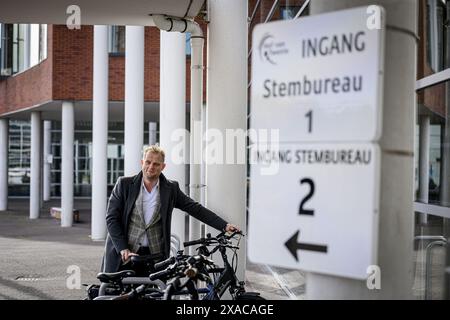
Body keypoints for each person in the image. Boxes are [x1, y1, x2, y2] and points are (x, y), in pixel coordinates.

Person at [101, 144, 240, 273]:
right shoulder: (124, 184)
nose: (151, 167)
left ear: (163, 166)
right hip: (126, 254)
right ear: (142, 162)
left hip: (154, 257)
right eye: (148, 162)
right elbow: (112, 218)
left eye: (156, 164)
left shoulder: (170, 189)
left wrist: (224, 225)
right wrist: (123, 248)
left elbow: (195, 208)